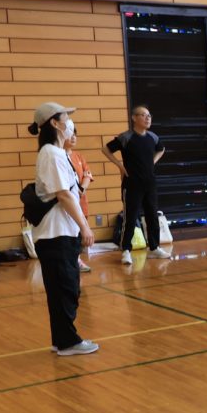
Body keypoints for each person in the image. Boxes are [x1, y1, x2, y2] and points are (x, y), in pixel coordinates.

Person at [27, 102, 98, 356]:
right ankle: (68, 342)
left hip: (62, 233)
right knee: (64, 289)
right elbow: (64, 195)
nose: (70, 123)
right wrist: (85, 227)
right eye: (66, 118)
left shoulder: (58, 153)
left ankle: (62, 339)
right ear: (54, 123)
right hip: (55, 234)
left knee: (65, 288)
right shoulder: (51, 154)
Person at [102, 105, 169, 264]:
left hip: (150, 183)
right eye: (143, 115)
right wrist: (120, 165)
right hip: (132, 184)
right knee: (130, 217)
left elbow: (161, 149)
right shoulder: (126, 137)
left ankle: (154, 248)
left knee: (152, 216)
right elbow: (105, 149)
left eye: (149, 115)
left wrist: (153, 161)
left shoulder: (153, 137)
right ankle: (126, 250)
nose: (148, 118)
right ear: (134, 118)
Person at [64, 126, 94, 273]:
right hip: (68, 202)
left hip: (81, 201)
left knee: (80, 233)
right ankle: (74, 260)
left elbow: (88, 174)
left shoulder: (79, 156)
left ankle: (76, 258)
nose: (73, 137)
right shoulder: (59, 157)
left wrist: (82, 188)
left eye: (75, 135)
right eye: (70, 135)